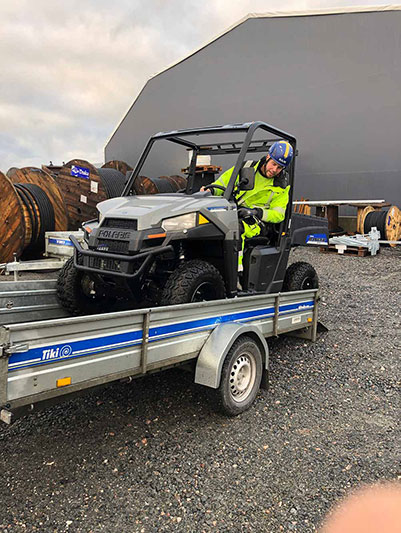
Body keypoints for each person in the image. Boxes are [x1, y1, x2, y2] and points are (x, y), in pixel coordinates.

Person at [207, 140, 294, 270]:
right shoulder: (247, 167)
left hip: (258, 221)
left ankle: (235, 273)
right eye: (274, 164)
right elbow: (224, 183)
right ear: (268, 157)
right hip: (235, 211)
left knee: (236, 228)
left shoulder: (282, 186)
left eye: (280, 167)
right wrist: (209, 191)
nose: (275, 170)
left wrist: (257, 212)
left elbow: (279, 214)